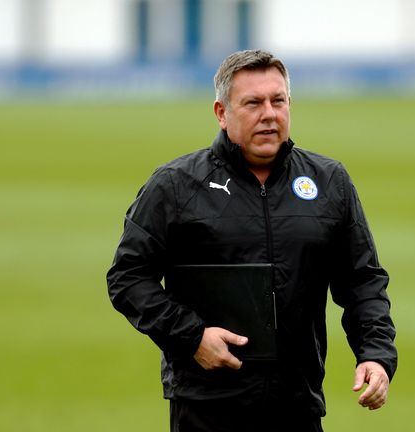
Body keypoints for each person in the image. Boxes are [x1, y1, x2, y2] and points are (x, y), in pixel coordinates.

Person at [107, 49, 397, 432]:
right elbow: (128, 277)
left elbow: (362, 280)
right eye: (253, 103)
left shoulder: (329, 182)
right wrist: (192, 337)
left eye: (278, 101)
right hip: (205, 408)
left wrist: (374, 354)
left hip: (297, 405)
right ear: (222, 113)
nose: (269, 114)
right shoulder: (176, 185)